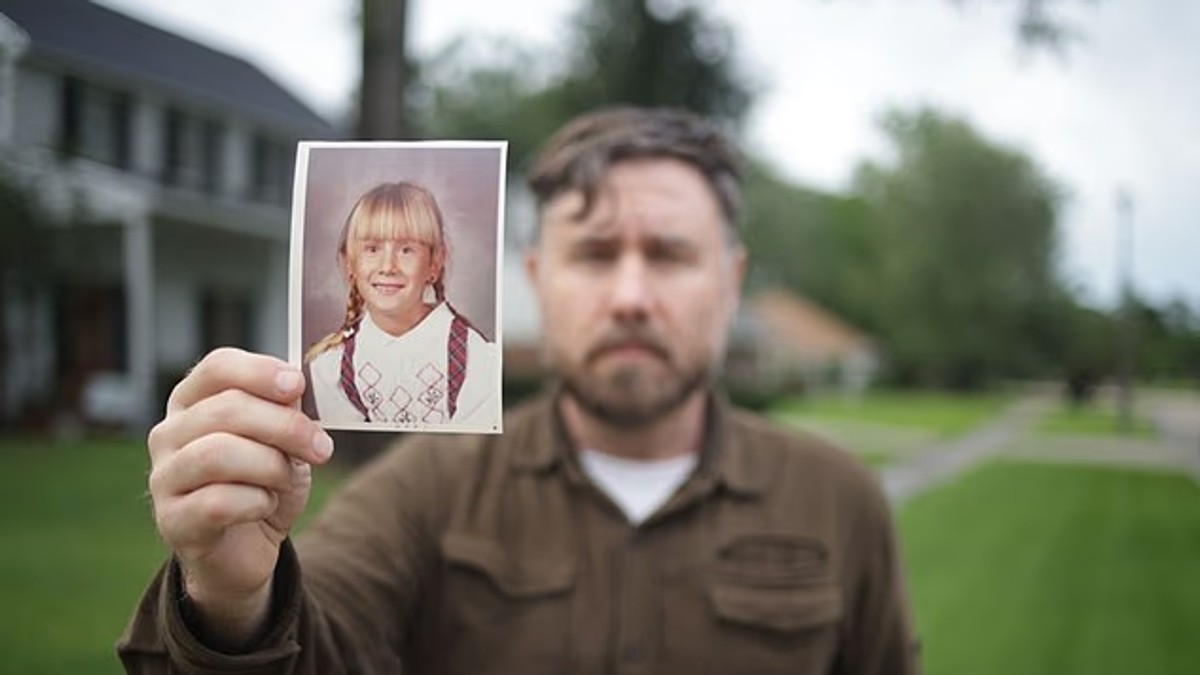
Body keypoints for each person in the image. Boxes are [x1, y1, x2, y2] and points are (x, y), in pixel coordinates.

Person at [118, 107, 919, 674]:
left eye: (670, 253)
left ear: (732, 281)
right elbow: (319, 647)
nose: (632, 294)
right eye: (597, 253)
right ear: (537, 277)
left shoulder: (840, 500)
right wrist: (230, 598)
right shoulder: (420, 493)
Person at [304, 181, 499, 431]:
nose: (388, 266)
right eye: (372, 249)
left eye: (407, 250)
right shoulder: (332, 366)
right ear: (349, 263)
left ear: (434, 264)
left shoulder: (477, 359)